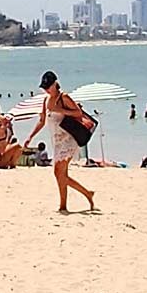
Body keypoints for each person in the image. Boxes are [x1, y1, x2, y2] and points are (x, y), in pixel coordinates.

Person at [24, 71, 96, 213]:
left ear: (55, 84)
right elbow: (42, 120)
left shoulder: (64, 97)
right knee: (59, 174)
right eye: (44, 87)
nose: (46, 89)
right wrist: (30, 137)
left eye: (48, 86)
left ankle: (65, 205)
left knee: (59, 172)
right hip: (56, 141)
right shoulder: (46, 100)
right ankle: (86, 194)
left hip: (69, 138)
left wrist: (60, 109)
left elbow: (78, 113)